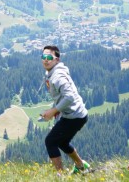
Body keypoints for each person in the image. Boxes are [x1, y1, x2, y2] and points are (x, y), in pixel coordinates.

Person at [40, 45, 91, 175]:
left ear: (56, 60)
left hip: (74, 116)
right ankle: (81, 166)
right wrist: (56, 110)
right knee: (62, 142)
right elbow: (64, 97)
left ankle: (61, 176)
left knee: (50, 141)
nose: (46, 60)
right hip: (75, 114)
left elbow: (69, 97)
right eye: (43, 57)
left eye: (49, 57)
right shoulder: (52, 72)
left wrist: (53, 111)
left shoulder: (58, 76)